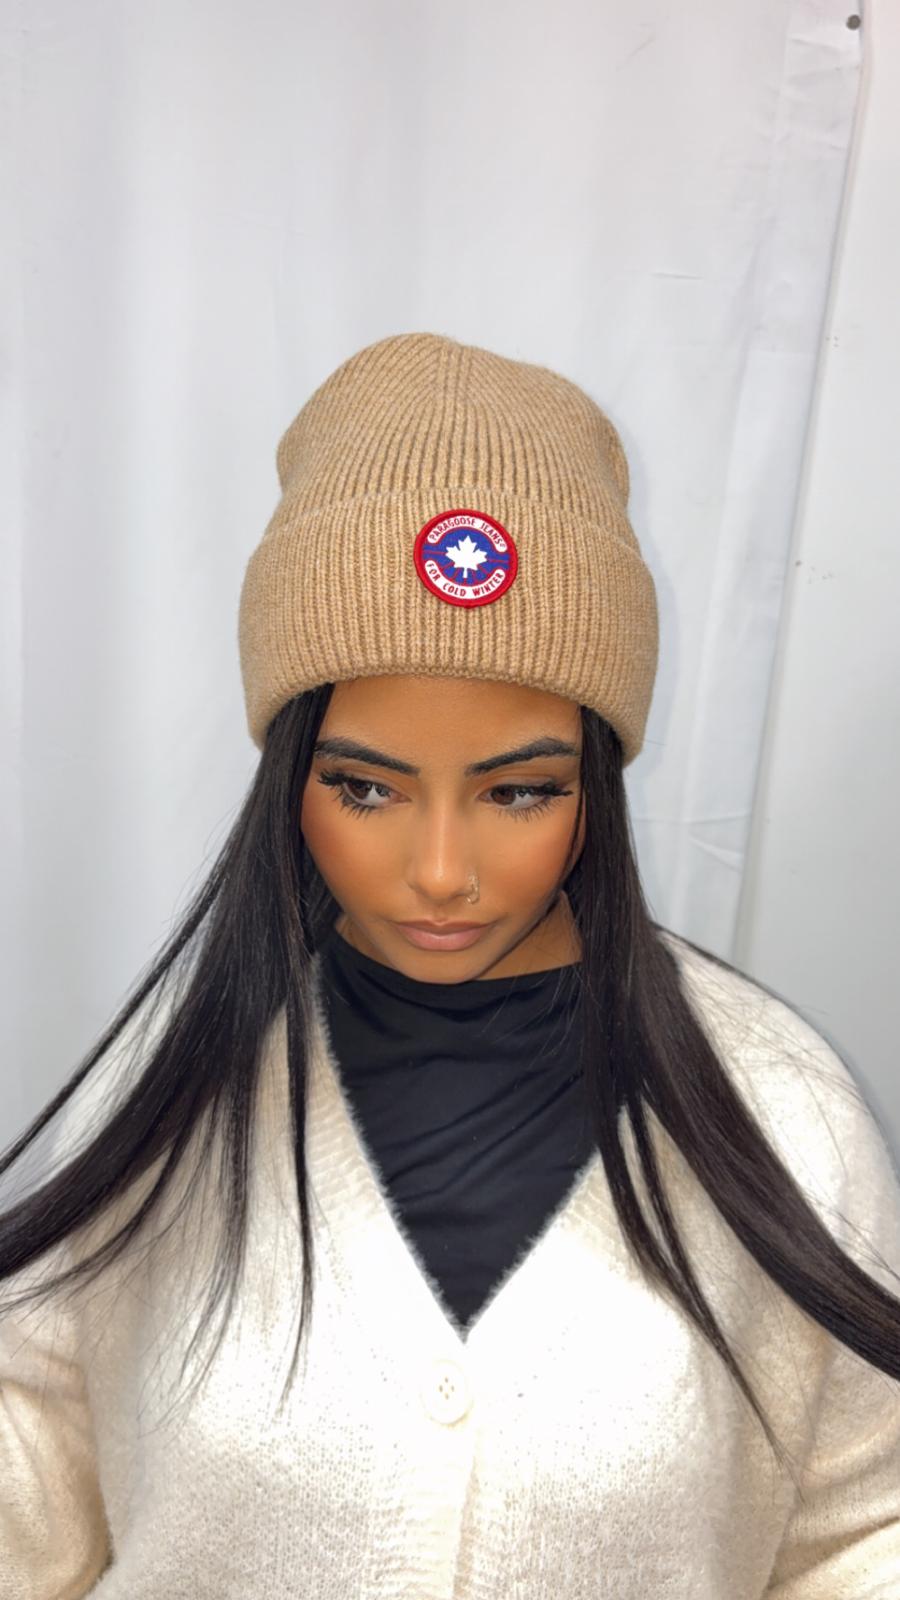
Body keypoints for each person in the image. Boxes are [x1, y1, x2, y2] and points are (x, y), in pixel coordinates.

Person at [1, 330, 898, 1598]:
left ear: (596, 783)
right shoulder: (168, 1094)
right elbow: (27, 1483)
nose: (438, 871)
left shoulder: (781, 1107)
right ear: (289, 778)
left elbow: (864, 1532)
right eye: (364, 787)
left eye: (518, 790)